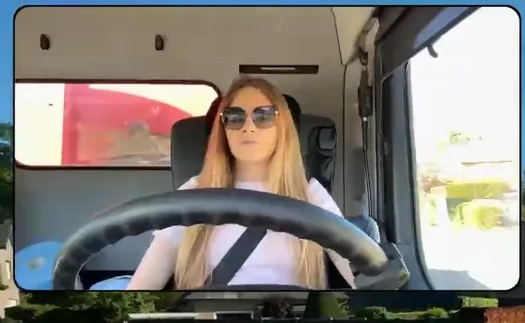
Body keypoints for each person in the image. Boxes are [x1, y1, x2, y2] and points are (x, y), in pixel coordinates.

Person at [126, 76, 357, 290]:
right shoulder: (194, 194)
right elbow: (142, 288)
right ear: (223, 129)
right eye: (235, 117)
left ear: (282, 127)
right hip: (212, 320)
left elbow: (350, 279)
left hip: (293, 320)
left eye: (263, 115)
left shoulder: (310, 195)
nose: (249, 126)